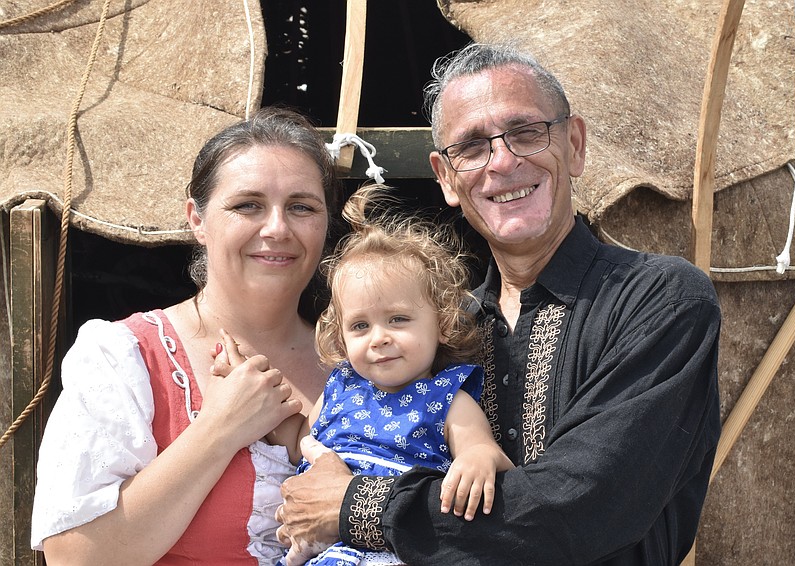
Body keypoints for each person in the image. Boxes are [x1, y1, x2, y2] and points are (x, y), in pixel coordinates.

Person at [275, 43, 722, 566]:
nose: (503, 162)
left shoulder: (659, 299)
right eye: (471, 147)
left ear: (574, 145)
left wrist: (360, 506)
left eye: (527, 132)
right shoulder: (443, 331)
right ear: (445, 178)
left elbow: (585, 505)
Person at [30, 106, 340, 565]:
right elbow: (73, 558)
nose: (277, 228)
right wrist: (220, 429)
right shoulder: (125, 356)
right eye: (247, 205)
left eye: (301, 207)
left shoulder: (369, 361)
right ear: (197, 219)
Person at [214, 184, 513, 565]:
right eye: (359, 326)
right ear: (340, 336)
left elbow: (484, 450)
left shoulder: (447, 398)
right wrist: (246, 377)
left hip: (394, 549)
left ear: (441, 323)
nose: (379, 338)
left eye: (398, 319)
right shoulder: (340, 388)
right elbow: (302, 440)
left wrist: (477, 461)